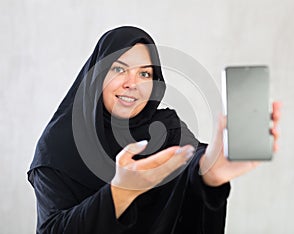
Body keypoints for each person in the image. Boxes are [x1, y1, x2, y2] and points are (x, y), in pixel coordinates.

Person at [27, 26, 280, 234]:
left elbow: (193, 161)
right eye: (119, 69)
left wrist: (208, 174)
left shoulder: (166, 129)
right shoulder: (58, 146)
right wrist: (120, 193)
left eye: (145, 74)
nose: (132, 84)